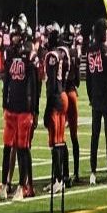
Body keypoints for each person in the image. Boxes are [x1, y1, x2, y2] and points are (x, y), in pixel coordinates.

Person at [0, 19, 37, 200]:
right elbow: (6, 81)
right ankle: (4, 184)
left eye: (16, 34)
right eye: (12, 34)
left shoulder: (29, 54)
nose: (14, 38)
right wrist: (3, 104)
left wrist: (34, 110)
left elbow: (34, 84)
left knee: (23, 148)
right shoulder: (8, 54)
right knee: (7, 147)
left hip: (24, 108)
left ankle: (23, 186)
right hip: (11, 108)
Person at [86, 19, 107, 185]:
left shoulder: (90, 50)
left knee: (94, 136)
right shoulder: (106, 50)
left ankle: (93, 172)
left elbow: (89, 78)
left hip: (96, 97)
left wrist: (90, 96)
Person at [42, 23, 70, 193]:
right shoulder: (62, 53)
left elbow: (51, 82)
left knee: (55, 142)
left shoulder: (52, 55)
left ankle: (58, 179)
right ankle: (61, 178)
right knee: (60, 141)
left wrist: (47, 107)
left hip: (56, 98)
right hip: (63, 94)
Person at [58, 24, 81, 184]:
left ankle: (63, 173)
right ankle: (76, 172)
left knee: (61, 136)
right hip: (73, 93)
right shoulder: (75, 52)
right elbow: (78, 80)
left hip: (63, 94)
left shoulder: (59, 52)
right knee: (74, 136)